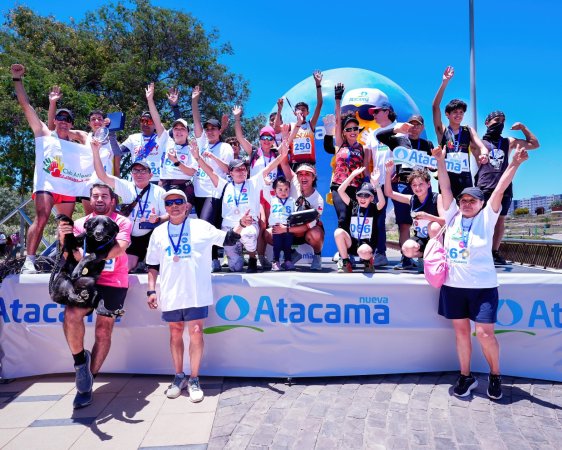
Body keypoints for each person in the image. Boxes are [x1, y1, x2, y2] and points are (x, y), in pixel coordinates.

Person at [433, 144, 529, 400]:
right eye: (463, 200)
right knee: (461, 333)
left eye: (472, 200)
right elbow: (445, 187)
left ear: (481, 203)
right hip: (453, 287)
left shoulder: (487, 218)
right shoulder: (452, 216)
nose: (466, 204)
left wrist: (514, 163)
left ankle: (495, 375)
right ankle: (465, 376)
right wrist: (440, 160)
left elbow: (499, 188)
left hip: (482, 288)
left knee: (485, 334)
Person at [146, 189, 242, 401]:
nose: (174, 206)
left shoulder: (200, 226)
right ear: (165, 208)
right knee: (175, 332)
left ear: (187, 205)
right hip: (171, 290)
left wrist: (242, 225)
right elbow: (152, 264)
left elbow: (228, 239)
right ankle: (178, 376)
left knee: (196, 332)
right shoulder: (158, 232)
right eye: (169, 203)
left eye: (178, 201)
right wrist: (151, 290)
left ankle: (194, 378)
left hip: (196, 291)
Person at [57, 183, 132, 409]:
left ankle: (86, 385)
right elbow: (71, 253)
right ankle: (81, 364)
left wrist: (91, 258)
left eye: (104, 196)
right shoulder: (80, 223)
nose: (100, 199)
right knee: (71, 315)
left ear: (112, 200)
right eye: (95, 196)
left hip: (114, 280)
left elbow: (119, 248)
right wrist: (64, 238)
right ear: (89, 200)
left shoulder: (122, 222)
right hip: (87, 280)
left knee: (103, 330)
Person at [11, 64, 79, 273]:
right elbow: (25, 105)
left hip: (66, 187)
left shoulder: (76, 143)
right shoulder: (43, 133)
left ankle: (64, 261)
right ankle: (29, 261)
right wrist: (17, 79)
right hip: (46, 184)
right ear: (55, 120)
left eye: (68, 119)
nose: (63, 121)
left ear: (72, 124)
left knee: (66, 225)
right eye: (60, 118)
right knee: (41, 217)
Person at [193, 140, 288, 273]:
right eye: (237, 169)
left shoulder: (253, 182)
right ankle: (236, 254)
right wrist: (197, 157)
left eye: (243, 169)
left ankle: (252, 258)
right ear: (231, 173)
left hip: (249, 225)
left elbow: (268, 168)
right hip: (230, 228)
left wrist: (282, 156)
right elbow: (210, 172)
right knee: (235, 268)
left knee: (248, 234)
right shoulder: (224, 185)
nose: (241, 171)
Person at [91, 140, 167, 271]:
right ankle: (137, 260)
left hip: (149, 234)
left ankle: (146, 260)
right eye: (135, 171)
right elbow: (102, 175)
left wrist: (158, 219)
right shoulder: (126, 186)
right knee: (125, 267)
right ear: (131, 174)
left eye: (143, 171)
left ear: (150, 175)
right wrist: (95, 151)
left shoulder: (159, 191)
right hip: (129, 235)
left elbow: (168, 215)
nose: (139, 174)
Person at [476, 111, 540, 265]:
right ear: (487, 122)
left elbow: (534, 144)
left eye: (503, 120)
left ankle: (494, 252)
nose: (500, 123)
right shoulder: (478, 143)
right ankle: (480, 251)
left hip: (504, 186)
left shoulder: (508, 141)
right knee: (481, 220)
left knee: (500, 220)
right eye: (497, 120)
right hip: (484, 186)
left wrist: (523, 128)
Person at [377, 115, 435, 269]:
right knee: (404, 224)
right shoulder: (399, 140)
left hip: (422, 188)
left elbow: (433, 167)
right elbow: (380, 136)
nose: (414, 128)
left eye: (418, 125)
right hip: (403, 185)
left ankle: (424, 256)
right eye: (411, 125)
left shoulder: (427, 144)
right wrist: (396, 129)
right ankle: (406, 259)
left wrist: (434, 164)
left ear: (422, 128)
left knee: (425, 222)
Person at [191, 85, 234, 271]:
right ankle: (213, 259)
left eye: (213, 129)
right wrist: (194, 101)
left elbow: (227, 169)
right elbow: (196, 121)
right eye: (207, 129)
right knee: (209, 225)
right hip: (198, 191)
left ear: (219, 131)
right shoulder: (202, 143)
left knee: (206, 224)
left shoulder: (225, 147)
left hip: (214, 192)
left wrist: (213, 158)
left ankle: (211, 259)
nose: (209, 132)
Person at [432, 66, 489, 197]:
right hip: (446, 177)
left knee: (466, 207)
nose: (458, 115)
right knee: (447, 208)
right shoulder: (442, 130)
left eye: (461, 112)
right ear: (447, 114)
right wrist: (444, 83)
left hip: (465, 178)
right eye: (455, 112)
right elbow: (435, 107)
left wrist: (484, 154)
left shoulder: (468, 130)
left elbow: (481, 146)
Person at [145, 83, 198, 209]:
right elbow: (156, 120)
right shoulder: (166, 140)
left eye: (182, 129)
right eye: (176, 129)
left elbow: (191, 172)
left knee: (182, 215)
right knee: (161, 216)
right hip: (165, 186)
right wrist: (150, 100)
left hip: (185, 187)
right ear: (172, 132)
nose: (179, 131)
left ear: (187, 132)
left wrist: (176, 161)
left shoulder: (192, 148)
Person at [384, 161, 444, 271]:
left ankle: (439, 259)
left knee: (434, 226)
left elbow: (444, 221)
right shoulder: (411, 199)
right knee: (407, 248)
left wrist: (428, 217)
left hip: (437, 239)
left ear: (428, 184)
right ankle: (423, 257)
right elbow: (389, 193)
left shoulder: (437, 197)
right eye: (414, 185)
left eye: (421, 184)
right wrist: (388, 173)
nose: (417, 188)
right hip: (421, 239)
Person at [325, 83, 369, 229]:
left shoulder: (363, 148)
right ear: (343, 132)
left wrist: (370, 185)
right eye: (348, 129)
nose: (352, 131)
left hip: (356, 187)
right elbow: (338, 121)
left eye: (355, 128)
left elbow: (366, 170)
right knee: (343, 217)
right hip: (339, 186)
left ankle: (352, 244)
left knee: (354, 219)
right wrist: (338, 99)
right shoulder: (340, 144)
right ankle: (342, 244)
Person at [364, 101, 398, 266]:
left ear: (387, 111)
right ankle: (380, 253)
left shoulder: (399, 129)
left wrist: (399, 173)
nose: (374, 115)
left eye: (376, 112)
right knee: (378, 218)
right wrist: (368, 178)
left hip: (397, 181)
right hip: (379, 183)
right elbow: (367, 159)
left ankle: (409, 257)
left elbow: (406, 154)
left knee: (404, 219)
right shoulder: (373, 134)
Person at [334, 167, 385, 273]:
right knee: (338, 232)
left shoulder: (373, 208)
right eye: (360, 195)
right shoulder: (353, 205)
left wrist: (376, 183)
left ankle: (368, 261)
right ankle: (346, 262)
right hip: (352, 243)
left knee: (363, 251)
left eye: (366, 195)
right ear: (356, 197)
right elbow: (340, 190)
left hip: (366, 245)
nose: (362, 198)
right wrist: (352, 175)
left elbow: (382, 202)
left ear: (372, 198)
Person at [277, 163, 325, 270]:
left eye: (307, 174)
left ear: (313, 177)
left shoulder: (318, 200)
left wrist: (285, 229)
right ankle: (292, 254)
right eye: (300, 174)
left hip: (306, 232)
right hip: (290, 232)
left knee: (316, 233)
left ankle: (317, 256)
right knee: (269, 233)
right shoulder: (294, 181)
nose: (303, 177)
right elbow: (284, 163)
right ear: (297, 177)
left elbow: (309, 226)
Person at [287, 70, 324, 167]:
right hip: (294, 164)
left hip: (309, 163)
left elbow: (319, 104)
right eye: (298, 110)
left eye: (303, 110)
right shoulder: (290, 126)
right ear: (294, 113)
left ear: (308, 113)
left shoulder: (310, 124)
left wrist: (318, 84)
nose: (301, 112)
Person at [266, 176, 296, 271]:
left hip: (287, 228)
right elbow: (265, 190)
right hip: (276, 227)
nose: (283, 192)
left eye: (286, 189)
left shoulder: (292, 201)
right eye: (280, 189)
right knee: (277, 245)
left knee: (288, 245)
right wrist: (267, 183)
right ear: (275, 190)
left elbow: (295, 213)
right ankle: (275, 261)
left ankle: (288, 261)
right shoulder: (272, 199)